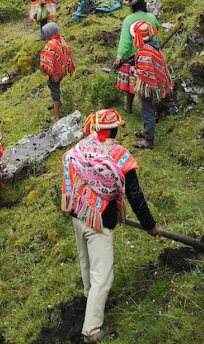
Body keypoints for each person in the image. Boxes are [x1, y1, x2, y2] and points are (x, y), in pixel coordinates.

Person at [61, 109, 160, 343]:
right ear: (115, 130)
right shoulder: (119, 155)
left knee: (86, 261)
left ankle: (89, 299)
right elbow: (134, 195)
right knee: (103, 275)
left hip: (78, 213)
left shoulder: (80, 150)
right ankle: (92, 331)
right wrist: (150, 225)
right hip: (99, 220)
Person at [120, 19, 172, 150]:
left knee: (148, 111)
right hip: (157, 83)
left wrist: (134, 70)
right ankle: (147, 130)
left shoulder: (145, 52)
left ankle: (149, 141)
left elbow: (146, 73)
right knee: (148, 109)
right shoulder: (154, 45)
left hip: (149, 86)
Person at [113, 0, 162, 115]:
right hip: (152, 55)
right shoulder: (151, 17)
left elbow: (125, 41)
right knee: (151, 83)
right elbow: (156, 32)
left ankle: (128, 107)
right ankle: (153, 109)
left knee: (131, 83)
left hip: (134, 57)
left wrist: (119, 56)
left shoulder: (129, 21)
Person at [40, 22, 75, 121]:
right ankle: (57, 104)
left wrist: (45, 68)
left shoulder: (51, 44)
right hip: (62, 69)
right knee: (53, 86)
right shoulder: (60, 39)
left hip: (55, 72)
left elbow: (47, 57)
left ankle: (56, 115)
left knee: (55, 90)